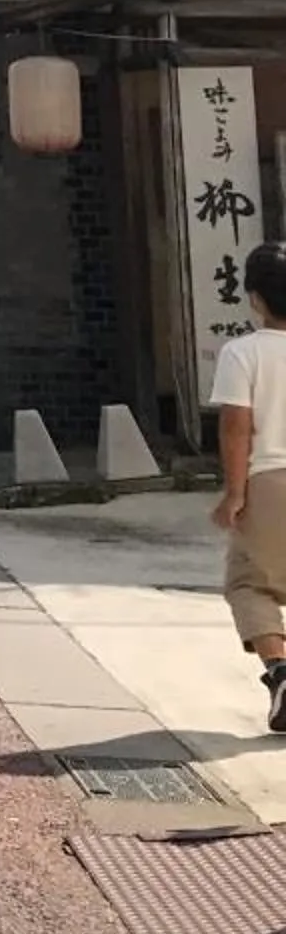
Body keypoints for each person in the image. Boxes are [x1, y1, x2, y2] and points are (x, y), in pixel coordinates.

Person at [208, 246, 286, 734]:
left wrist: (234, 494)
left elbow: (237, 427)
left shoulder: (243, 352)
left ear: (254, 298)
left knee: (249, 582)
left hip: (270, 481)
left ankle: (280, 670)